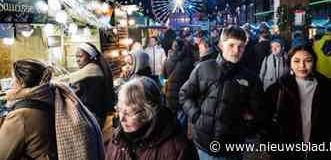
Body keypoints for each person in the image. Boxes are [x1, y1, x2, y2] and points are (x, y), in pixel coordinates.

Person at [179, 26, 266, 159]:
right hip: (203, 145)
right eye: (231, 45)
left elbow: (259, 112)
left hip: (231, 149)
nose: (236, 51)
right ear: (221, 45)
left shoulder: (251, 78)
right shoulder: (204, 68)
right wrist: (196, 116)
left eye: (241, 46)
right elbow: (185, 94)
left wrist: (243, 129)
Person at [0, 59, 105, 160]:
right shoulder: (56, 98)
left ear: (21, 82)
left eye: (12, 79)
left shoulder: (20, 116)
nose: (10, 84)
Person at [264, 44, 331, 160]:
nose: (302, 66)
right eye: (296, 61)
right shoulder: (276, 90)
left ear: (314, 62)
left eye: (308, 61)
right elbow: (266, 122)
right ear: (290, 64)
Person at [105, 76, 199, 160]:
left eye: (129, 113)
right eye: (120, 110)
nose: (121, 119)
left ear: (149, 112)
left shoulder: (179, 149)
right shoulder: (116, 140)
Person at [69, 42, 115, 127]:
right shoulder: (96, 69)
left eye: (80, 56)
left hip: (93, 117)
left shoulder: (90, 74)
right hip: (98, 116)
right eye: (76, 56)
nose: (77, 59)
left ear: (90, 56)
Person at [162, 38, 194, 130]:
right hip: (182, 92)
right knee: (182, 118)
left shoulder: (167, 59)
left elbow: (164, 76)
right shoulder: (188, 60)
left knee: (171, 118)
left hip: (169, 92)